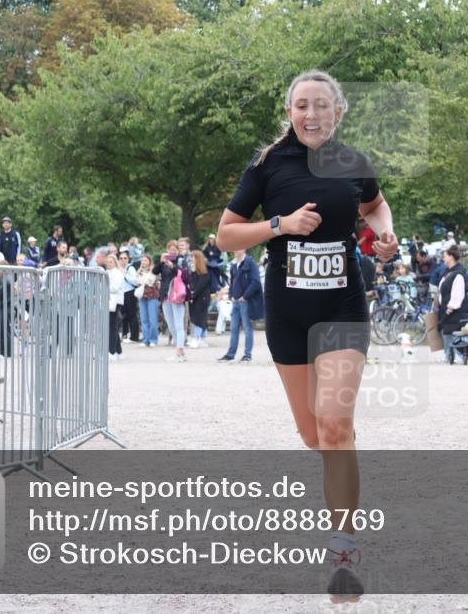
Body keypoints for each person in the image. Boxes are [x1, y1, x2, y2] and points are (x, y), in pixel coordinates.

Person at [215, 70, 397, 601]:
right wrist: (279, 226)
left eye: (321, 106)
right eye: (301, 106)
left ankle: (343, 555)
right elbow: (227, 235)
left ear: (338, 113)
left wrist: (385, 235)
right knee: (315, 435)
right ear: (289, 112)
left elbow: (375, 206)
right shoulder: (267, 164)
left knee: (336, 425)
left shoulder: (355, 163)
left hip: (343, 306)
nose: (311, 115)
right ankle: (341, 466)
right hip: (290, 315)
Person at [217, 248, 261, 363]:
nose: (235, 250)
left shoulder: (251, 263)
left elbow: (255, 282)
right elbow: (232, 282)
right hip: (236, 300)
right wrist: (231, 294)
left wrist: (245, 296)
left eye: (238, 247)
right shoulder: (234, 265)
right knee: (233, 328)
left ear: (244, 248)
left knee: (247, 328)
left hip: (244, 301)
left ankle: (247, 355)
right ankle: (230, 354)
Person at [155, 242, 189, 362]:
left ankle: (178, 352)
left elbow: (183, 275)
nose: (173, 251)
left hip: (177, 295)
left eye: (175, 249)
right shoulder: (164, 262)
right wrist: (161, 261)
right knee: (171, 325)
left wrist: (171, 265)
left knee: (179, 324)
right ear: (167, 250)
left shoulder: (181, 260)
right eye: (170, 249)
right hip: (165, 295)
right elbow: (155, 271)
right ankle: (180, 350)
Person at [438, 245, 468, 365]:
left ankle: (459, 355)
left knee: (454, 332)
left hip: (455, 309)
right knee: (446, 332)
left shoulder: (458, 273)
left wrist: (452, 306)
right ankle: (448, 354)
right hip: (445, 307)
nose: (443, 259)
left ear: (451, 257)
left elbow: (458, 291)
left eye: (445, 256)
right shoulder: (448, 272)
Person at [134, 254, 161, 347]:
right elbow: (136, 281)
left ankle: (153, 339)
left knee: (153, 319)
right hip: (142, 297)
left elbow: (151, 282)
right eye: (142, 260)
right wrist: (143, 281)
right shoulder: (139, 271)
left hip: (152, 297)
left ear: (149, 261)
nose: (143, 262)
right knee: (144, 319)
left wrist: (143, 281)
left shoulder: (154, 270)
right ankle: (145, 340)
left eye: (145, 260)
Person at [187, 250, 212, 348]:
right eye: (191, 257)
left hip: (202, 298)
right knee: (198, 318)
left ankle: (196, 338)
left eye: (193, 257)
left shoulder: (205, 271)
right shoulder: (193, 270)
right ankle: (202, 338)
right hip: (195, 297)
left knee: (199, 318)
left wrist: (192, 295)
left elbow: (200, 286)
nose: (191, 259)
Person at [104, 253, 125, 361]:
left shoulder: (118, 273)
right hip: (108, 301)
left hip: (115, 302)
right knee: (113, 327)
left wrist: (103, 286)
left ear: (115, 262)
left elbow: (115, 288)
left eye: (110, 262)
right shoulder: (106, 272)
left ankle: (111, 351)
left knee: (112, 327)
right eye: (107, 262)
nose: (108, 263)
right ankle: (118, 351)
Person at [118, 249, 140, 343]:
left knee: (132, 314)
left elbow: (134, 281)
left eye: (125, 258)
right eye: (121, 258)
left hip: (130, 292)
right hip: (121, 293)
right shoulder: (117, 268)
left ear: (128, 259)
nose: (123, 260)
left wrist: (125, 274)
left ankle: (134, 336)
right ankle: (124, 334)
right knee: (123, 315)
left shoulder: (130, 268)